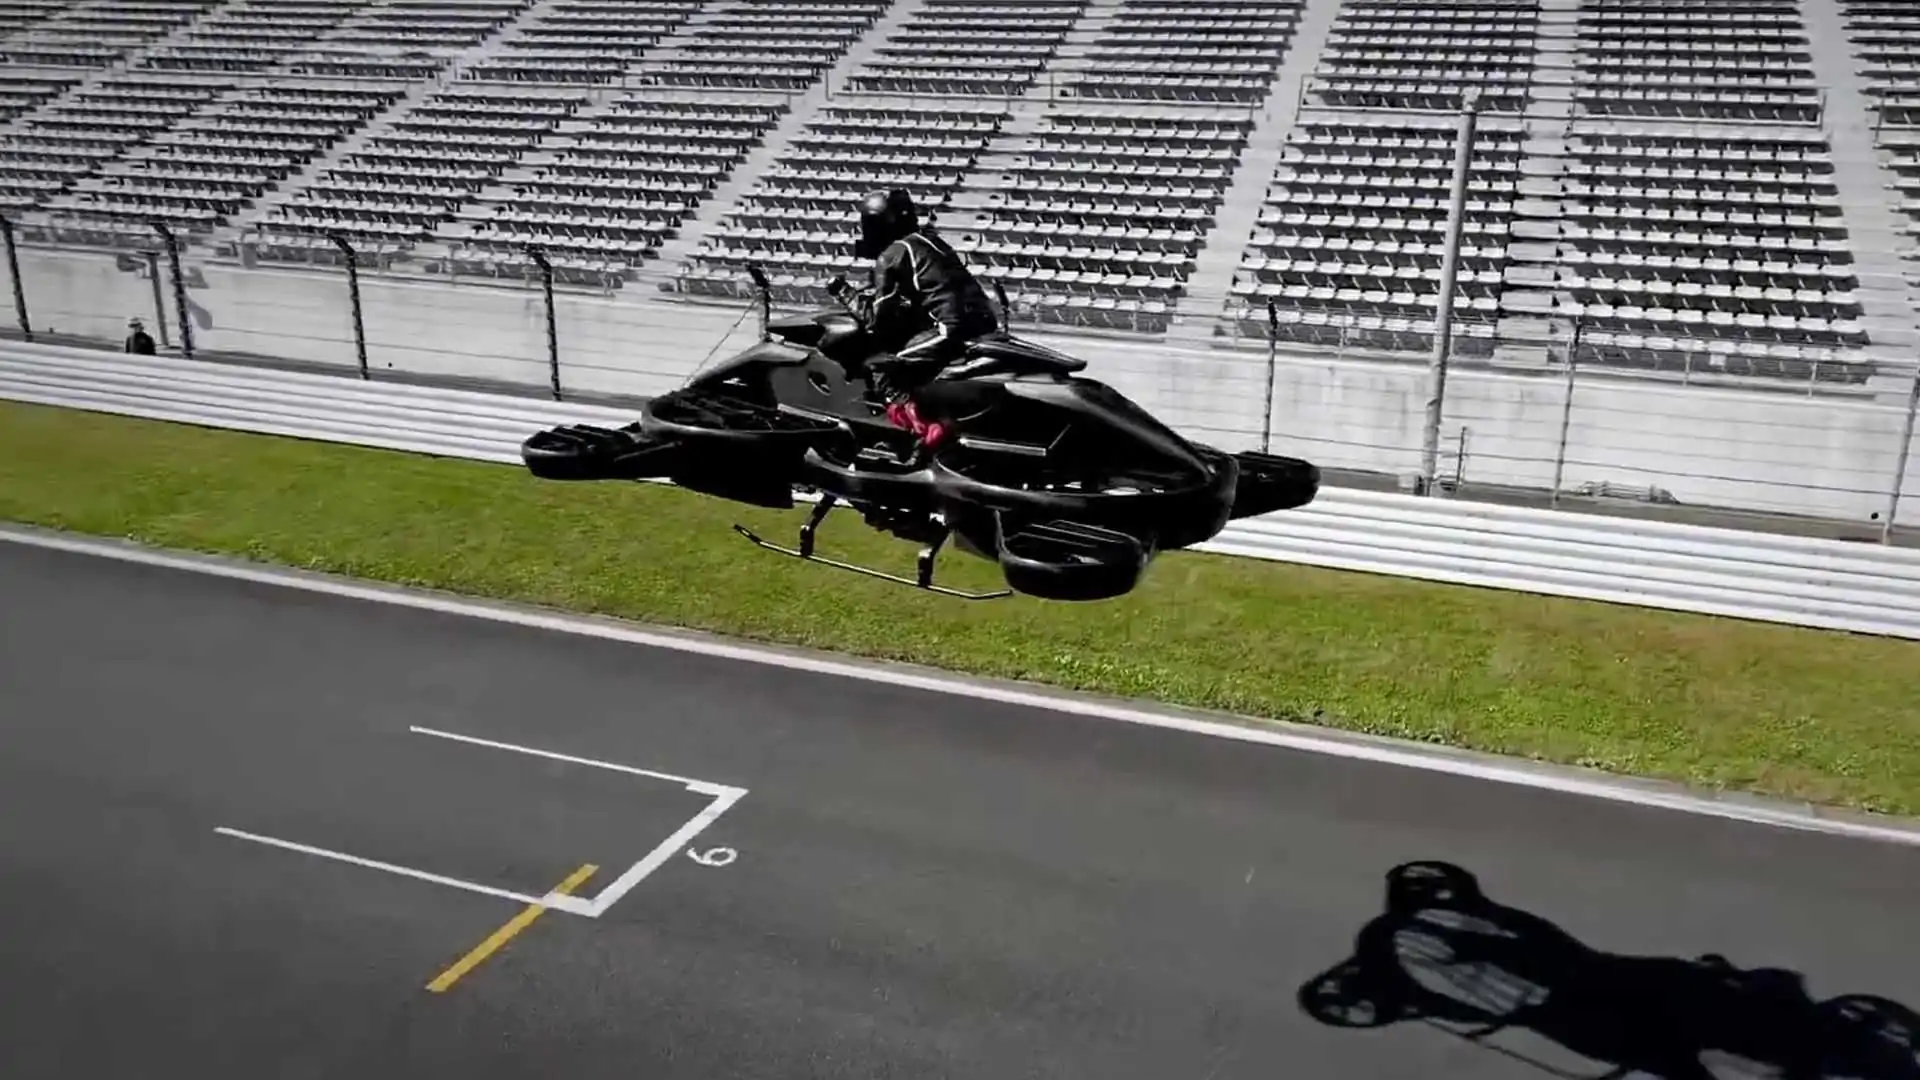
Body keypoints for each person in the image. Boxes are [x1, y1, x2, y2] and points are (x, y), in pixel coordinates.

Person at [826, 189, 1000, 461]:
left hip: (950, 331)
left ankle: (927, 433)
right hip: (984, 324)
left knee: (882, 366)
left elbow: (875, 320)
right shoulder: (932, 241)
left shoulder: (893, 254)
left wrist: (842, 291)